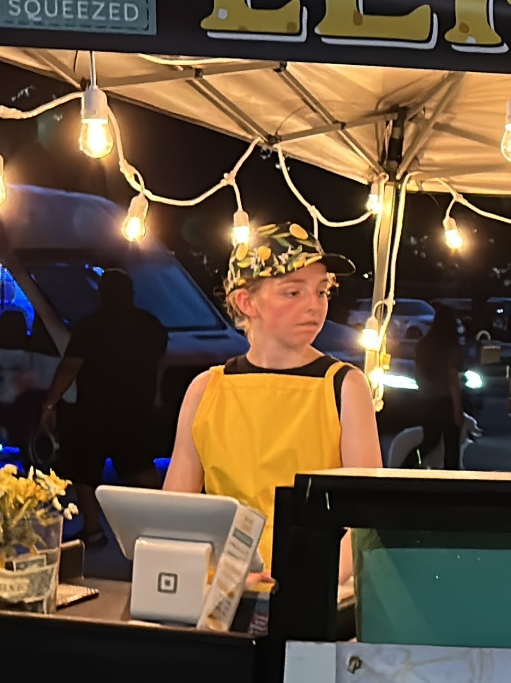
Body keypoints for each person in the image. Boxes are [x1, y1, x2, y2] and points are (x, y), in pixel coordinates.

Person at [165, 223, 382, 580]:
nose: (315, 305)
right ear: (246, 301)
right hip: (219, 591)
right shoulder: (206, 389)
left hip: (315, 592)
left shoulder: (345, 386)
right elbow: (173, 515)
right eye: (293, 292)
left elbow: (364, 517)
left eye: (322, 291)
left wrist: (309, 583)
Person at [40, 269, 168, 546]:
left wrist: (50, 403)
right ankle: (159, 525)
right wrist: (156, 395)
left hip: (95, 409)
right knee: (141, 467)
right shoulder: (152, 325)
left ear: (102, 293)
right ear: (131, 292)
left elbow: (70, 367)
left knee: (84, 469)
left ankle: (93, 529)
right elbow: (159, 365)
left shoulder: (90, 326)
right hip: (137, 408)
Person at [410, 312, 464, 469]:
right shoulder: (452, 349)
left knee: (430, 440)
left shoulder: (423, 345)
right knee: (451, 443)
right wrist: (457, 409)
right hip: (444, 399)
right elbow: (453, 380)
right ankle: (451, 476)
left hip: (426, 398)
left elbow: (417, 373)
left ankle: (409, 464)